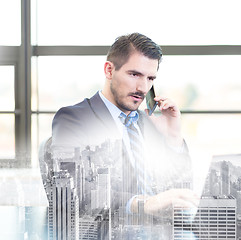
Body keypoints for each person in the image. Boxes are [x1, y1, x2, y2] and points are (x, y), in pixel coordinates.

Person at [49, 33, 198, 230]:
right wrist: (144, 204)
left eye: (150, 78)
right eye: (134, 74)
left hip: (161, 230)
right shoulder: (74, 119)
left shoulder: (150, 123)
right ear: (109, 70)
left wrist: (173, 137)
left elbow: (181, 187)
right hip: (109, 230)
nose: (143, 88)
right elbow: (75, 192)